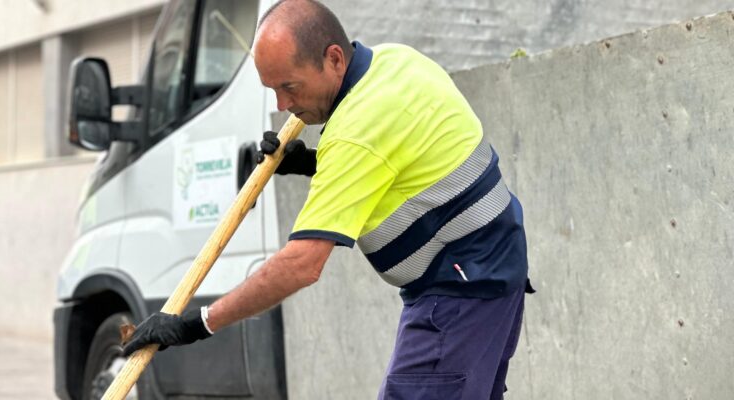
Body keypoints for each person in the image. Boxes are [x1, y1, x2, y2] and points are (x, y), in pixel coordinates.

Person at [122, 0, 533, 398]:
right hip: (494, 266)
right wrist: (310, 163)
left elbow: (302, 265)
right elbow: (397, 163)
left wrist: (198, 324)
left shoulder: (353, 132)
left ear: (334, 58)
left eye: (290, 86)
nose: (284, 105)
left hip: (460, 291)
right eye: (273, 90)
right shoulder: (397, 62)